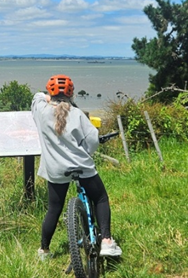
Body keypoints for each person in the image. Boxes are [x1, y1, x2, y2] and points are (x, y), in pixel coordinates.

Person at [31, 74, 122, 261]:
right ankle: (106, 241)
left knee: (54, 208)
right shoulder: (77, 114)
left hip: (55, 169)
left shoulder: (41, 111)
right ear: (72, 94)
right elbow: (93, 140)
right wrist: (86, 152)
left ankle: (44, 251)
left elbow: (37, 97)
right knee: (100, 198)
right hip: (82, 165)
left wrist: (47, 98)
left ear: (50, 92)